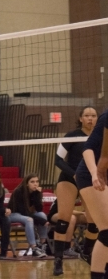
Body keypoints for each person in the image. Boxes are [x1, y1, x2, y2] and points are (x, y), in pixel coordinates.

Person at [53, 106, 98, 276]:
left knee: (93, 221)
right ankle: (58, 261)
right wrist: (74, 174)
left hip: (89, 179)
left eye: (93, 115)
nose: (90, 118)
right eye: (87, 115)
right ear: (80, 118)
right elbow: (58, 160)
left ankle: (86, 252)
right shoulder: (72, 136)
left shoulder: (99, 137)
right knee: (64, 219)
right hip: (69, 178)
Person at [75, 110, 108, 279]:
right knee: (107, 231)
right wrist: (95, 174)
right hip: (90, 174)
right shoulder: (107, 116)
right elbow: (88, 148)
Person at [8, 173, 48, 258]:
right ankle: (34, 248)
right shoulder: (19, 191)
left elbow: (39, 209)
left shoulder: (36, 192)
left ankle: (42, 244)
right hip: (14, 214)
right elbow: (23, 212)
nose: (35, 184)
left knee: (42, 215)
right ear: (27, 183)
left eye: (37, 182)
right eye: (32, 182)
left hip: (26, 214)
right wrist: (41, 221)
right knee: (29, 219)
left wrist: (37, 194)